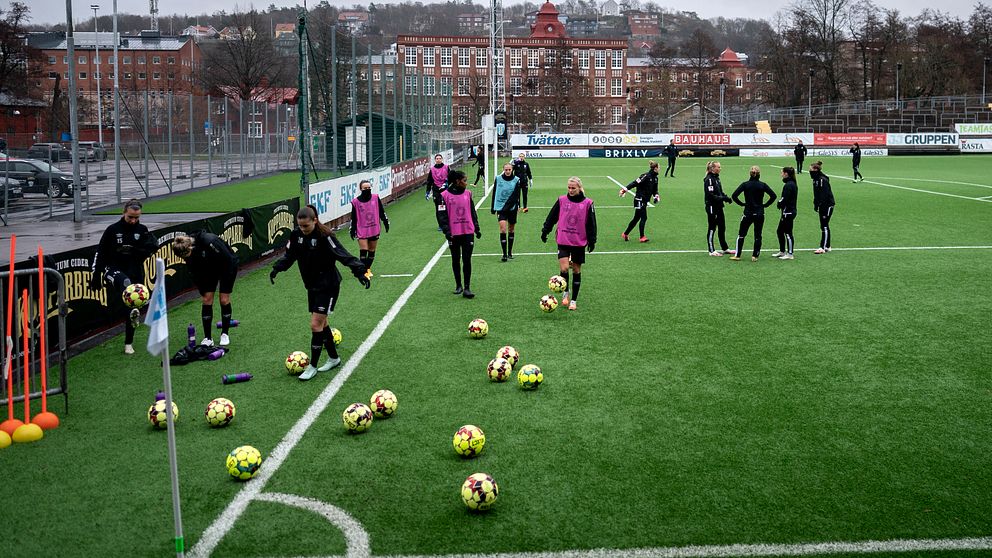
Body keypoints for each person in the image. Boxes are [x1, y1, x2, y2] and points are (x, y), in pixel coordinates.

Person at [269, 205, 371, 381]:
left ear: (315, 221)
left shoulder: (326, 236)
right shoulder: (296, 236)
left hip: (329, 285)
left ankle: (312, 366)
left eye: (306, 226)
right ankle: (334, 358)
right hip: (312, 286)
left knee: (315, 324)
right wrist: (277, 268)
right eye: (300, 226)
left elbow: (343, 255)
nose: (303, 229)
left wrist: (360, 272)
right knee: (322, 324)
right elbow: (290, 255)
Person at [90, 199, 159, 354]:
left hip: (134, 270)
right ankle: (130, 305)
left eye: (136, 218)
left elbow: (148, 250)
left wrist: (136, 250)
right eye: (130, 217)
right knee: (127, 284)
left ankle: (129, 343)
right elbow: (100, 252)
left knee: (132, 306)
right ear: (124, 213)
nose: (133, 221)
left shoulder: (142, 230)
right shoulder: (112, 230)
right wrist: (97, 274)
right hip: (113, 269)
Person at [541, 177, 597, 311]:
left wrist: (592, 240)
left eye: (573, 188)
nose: (570, 190)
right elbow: (552, 216)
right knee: (565, 268)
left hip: (579, 241)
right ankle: (565, 293)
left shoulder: (588, 203)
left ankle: (574, 300)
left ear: (579, 188)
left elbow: (592, 223)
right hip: (563, 239)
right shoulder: (561, 200)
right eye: (569, 188)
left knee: (576, 270)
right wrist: (545, 230)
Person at [437, 170, 481, 298]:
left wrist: (476, 228)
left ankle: (467, 288)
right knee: (455, 259)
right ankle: (458, 285)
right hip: (454, 234)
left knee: (467, 259)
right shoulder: (444, 195)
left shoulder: (468, 193)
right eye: (465, 180)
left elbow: (472, 212)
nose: (466, 183)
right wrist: (447, 231)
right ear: (457, 181)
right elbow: (442, 215)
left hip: (468, 231)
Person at [730, 166, 776, 262]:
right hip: (759, 213)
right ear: (759, 174)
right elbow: (773, 196)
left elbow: (734, 195)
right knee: (758, 235)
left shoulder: (745, 185)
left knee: (741, 234)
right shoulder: (763, 185)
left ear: (750, 174)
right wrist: (765, 205)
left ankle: (737, 255)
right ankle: (755, 256)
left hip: (748, 213)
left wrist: (742, 204)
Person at [349, 179, 390, 277]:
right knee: (364, 250)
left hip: (374, 228)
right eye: (365, 188)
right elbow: (353, 217)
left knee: (371, 251)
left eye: (369, 188)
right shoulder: (356, 202)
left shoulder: (375, 198)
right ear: (361, 189)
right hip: (362, 229)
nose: (367, 189)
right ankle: (362, 271)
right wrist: (352, 229)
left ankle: (367, 269)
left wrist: (385, 221)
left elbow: (381, 211)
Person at [619, 160, 660, 243]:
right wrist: (624, 190)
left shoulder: (655, 178)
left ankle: (625, 234)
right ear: (655, 168)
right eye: (659, 167)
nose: (660, 169)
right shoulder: (645, 176)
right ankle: (642, 237)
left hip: (645, 200)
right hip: (639, 199)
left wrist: (656, 196)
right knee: (644, 217)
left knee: (636, 218)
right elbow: (635, 183)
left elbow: (655, 190)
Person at [491, 162, 522, 262]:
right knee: (503, 229)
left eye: (509, 169)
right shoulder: (498, 179)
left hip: (512, 208)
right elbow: (494, 192)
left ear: (512, 170)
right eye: (506, 170)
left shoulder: (517, 180)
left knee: (511, 229)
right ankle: (504, 254)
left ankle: (510, 252)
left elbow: (517, 195)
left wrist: (518, 205)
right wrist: (493, 207)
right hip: (501, 208)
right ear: (503, 169)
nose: (508, 171)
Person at [704, 161, 734, 257]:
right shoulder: (709, 179)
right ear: (713, 168)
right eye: (718, 167)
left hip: (719, 206)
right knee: (712, 228)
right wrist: (723, 198)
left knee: (722, 227)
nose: (720, 168)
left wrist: (726, 198)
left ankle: (724, 248)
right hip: (712, 207)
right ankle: (711, 250)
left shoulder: (717, 178)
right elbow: (711, 195)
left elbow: (720, 192)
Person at [810, 160, 836, 254]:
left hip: (827, 205)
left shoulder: (822, 180)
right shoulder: (815, 180)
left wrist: (821, 205)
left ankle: (823, 247)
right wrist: (816, 204)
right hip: (822, 205)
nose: (810, 172)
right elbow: (817, 195)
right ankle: (827, 245)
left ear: (816, 170)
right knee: (824, 225)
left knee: (824, 225)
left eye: (811, 170)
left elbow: (824, 195)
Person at [772, 167, 798, 260]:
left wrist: (779, 203)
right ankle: (782, 251)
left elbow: (785, 198)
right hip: (786, 211)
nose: (781, 174)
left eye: (782, 172)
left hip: (789, 212)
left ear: (786, 173)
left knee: (788, 233)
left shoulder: (789, 185)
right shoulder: (790, 183)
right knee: (779, 231)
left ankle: (790, 253)